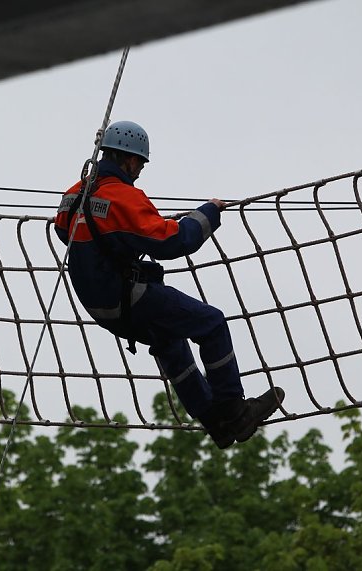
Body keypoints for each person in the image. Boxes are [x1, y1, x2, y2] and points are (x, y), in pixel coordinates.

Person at [54, 120, 284, 448]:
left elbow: (64, 232)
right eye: (140, 164)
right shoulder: (124, 198)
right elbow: (172, 243)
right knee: (211, 323)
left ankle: (215, 422)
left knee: (170, 340)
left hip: (98, 305)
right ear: (130, 160)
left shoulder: (73, 194)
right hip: (125, 297)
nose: (140, 171)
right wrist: (207, 213)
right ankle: (234, 409)